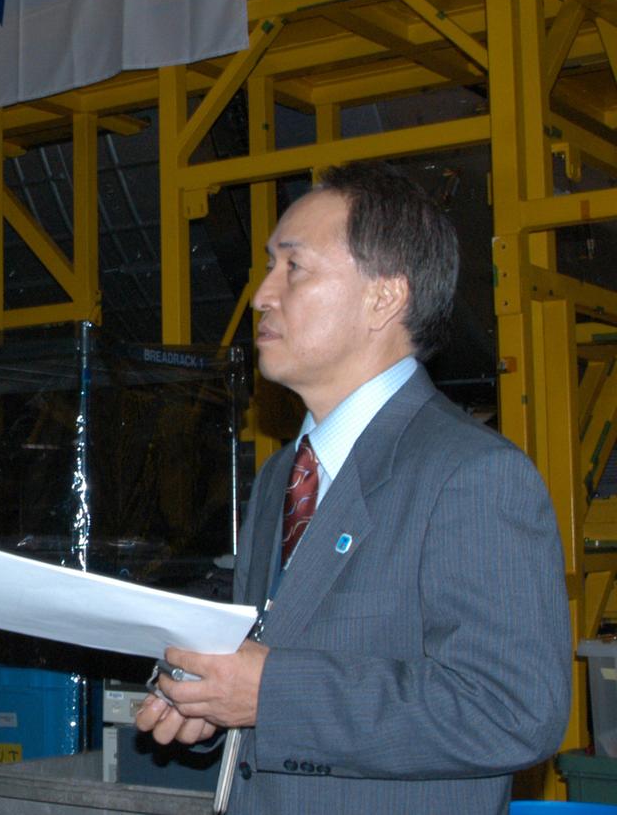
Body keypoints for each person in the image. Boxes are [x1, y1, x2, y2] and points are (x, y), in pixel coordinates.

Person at [135, 161, 571, 813]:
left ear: (384, 297)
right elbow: (268, 667)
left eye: (294, 267)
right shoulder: (285, 473)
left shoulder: (474, 476)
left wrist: (271, 692)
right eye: (267, 266)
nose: (261, 294)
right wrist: (209, 699)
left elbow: (514, 709)